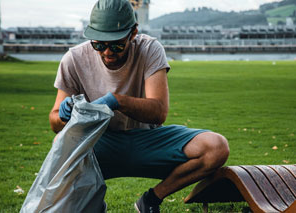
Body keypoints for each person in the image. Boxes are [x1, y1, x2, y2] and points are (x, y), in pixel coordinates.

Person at [49, 0, 230, 212]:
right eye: (99, 44)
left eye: (116, 44)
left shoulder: (149, 49)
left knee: (215, 147)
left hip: (148, 140)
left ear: (133, 33)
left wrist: (117, 101)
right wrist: (63, 115)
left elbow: (159, 112)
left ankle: (151, 200)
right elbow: (54, 122)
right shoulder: (73, 59)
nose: (107, 52)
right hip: (100, 141)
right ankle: (92, 205)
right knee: (60, 147)